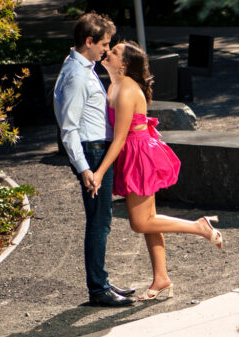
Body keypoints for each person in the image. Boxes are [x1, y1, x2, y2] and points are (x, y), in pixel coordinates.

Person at [90, 40, 223, 301]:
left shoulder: (126, 90)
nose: (108, 52)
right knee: (149, 219)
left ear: (124, 65)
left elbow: (118, 139)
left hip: (138, 154)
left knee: (140, 222)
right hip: (134, 151)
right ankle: (161, 278)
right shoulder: (115, 84)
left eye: (114, 52)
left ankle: (200, 227)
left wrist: (100, 172)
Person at [53, 12, 135, 306]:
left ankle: (102, 282)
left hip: (96, 149)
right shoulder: (76, 75)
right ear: (89, 41)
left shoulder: (78, 65)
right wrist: (86, 169)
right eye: (104, 43)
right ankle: (98, 289)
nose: (106, 49)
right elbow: (69, 128)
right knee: (99, 222)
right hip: (93, 151)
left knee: (101, 220)